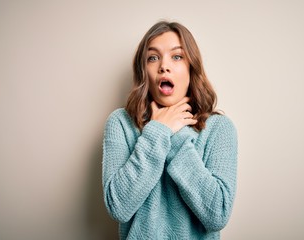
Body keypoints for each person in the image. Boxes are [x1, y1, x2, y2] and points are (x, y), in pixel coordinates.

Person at [102, 21, 238, 239]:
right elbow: (118, 207)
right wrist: (158, 131)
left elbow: (217, 214)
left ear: (191, 67)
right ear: (143, 71)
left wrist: (174, 135)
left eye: (177, 56)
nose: (164, 66)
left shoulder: (219, 128)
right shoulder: (120, 123)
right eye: (153, 57)